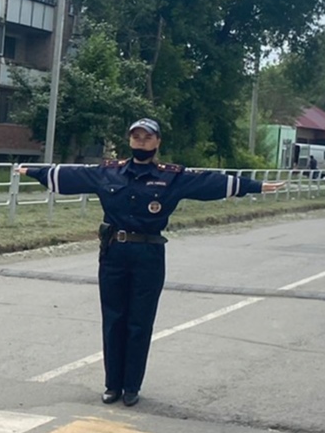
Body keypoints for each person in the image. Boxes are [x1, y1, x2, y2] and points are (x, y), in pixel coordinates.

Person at [18, 118, 283, 407]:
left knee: (139, 322)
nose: (141, 141)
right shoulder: (109, 172)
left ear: (157, 142)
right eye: (136, 136)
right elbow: (72, 176)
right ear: (129, 141)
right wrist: (32, 170)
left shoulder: (172, 177)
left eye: (147, 137)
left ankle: (131, 386)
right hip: (114, 253)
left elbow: (211, 183)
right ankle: (112, 385)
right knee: (113, 319)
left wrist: (257, 186)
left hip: (149, 254)